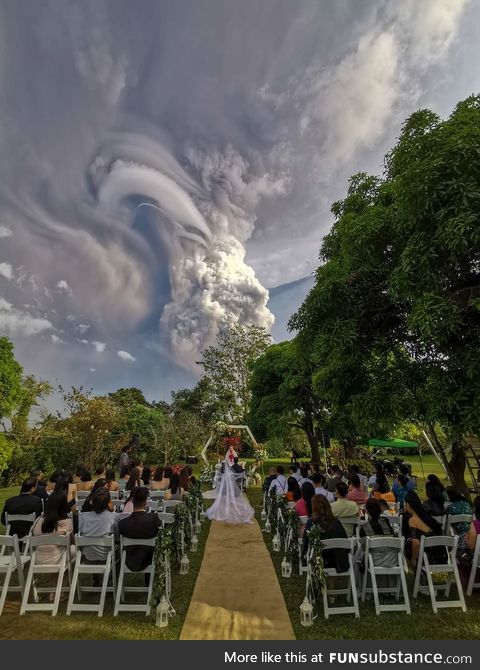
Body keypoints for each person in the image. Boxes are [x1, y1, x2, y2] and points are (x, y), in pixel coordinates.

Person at [31, 491, 75, 600]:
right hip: (56, 559)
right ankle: (59, 591)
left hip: (38, 559)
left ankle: (53, 589)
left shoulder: (39, 520)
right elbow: (72, 541)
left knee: (57, 551)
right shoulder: (67, 522)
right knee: (73, 551)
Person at [354, 499, 397, 589]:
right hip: (392, 558)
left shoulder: (365, 527)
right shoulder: (386, 521)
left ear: (367, 511)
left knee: (359, 554)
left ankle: (365, 586)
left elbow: (364, 548)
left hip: (374, 560)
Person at [78, 489, 117, 583]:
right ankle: (110, 581)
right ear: (108, 503)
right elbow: (117, 538)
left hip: (88, 557)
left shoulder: (83, 517)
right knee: (119, 551)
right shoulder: (113, 518)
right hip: (106, 557)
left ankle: (97, 579)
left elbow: (80, 534)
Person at [301, 494, 349, 570]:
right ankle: (331, 581)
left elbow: (306, 542)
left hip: (319, 560)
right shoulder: (336, 521)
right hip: (337, 561)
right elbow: (345, 539)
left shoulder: (311, 522)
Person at [118, 488, 160, 572]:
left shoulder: (123, 523)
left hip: (129, 559)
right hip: (149, 558)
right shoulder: (153, 519)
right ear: (146, 502)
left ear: (132, 501)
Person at [402, 491, 444, 569]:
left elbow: (416, 543)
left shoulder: (412, 520)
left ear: (408, 504)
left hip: (426, 558)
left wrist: (413, 559)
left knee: (406, 546)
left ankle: (412, 571)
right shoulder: (426, 517)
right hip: (440, 555)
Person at [445, 487, 473, 552]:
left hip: (457, 536)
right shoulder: (467, 504)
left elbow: (447, 523)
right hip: (469, 534)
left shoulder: (451, 507)